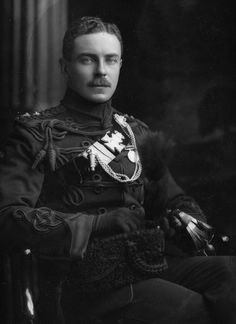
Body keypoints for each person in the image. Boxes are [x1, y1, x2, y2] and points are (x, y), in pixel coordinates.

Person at [0, 16, 235, 324]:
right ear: (65, 66)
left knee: (230, 275)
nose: (101, 71)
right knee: (190, 310)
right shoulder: (36, 134)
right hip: (81, 281)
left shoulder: (135, 131)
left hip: (143, 262)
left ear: (120, 64)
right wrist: (100, 224)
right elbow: (8, 216)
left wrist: (181, 220)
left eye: (110, 60)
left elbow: (173, 198)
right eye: (88, 59)